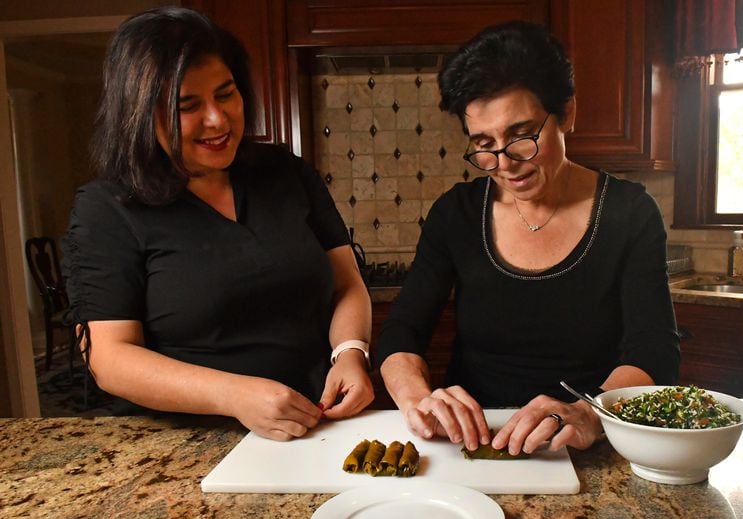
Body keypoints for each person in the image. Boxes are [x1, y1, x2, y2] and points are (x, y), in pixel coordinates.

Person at [62, 7, 373, 441]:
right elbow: (110, 358)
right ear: (139, 114)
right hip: (185, 441)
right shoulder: (106, 208)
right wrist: (233, 395)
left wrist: (350, 353)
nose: (217, 119)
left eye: (226, 94)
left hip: (313, 427)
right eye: (187, 106)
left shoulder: (285, 172)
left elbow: (346, 284)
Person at [377, 21, 680, 455]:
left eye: (522, 135)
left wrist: (588, 415)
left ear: (567, 113)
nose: (505, 163)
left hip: (587, 442)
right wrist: (416, 399)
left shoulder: (630, 211)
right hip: (474, 442)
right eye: (484, 143)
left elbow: (654, 353)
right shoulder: (456, 214)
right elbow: (402, 331)